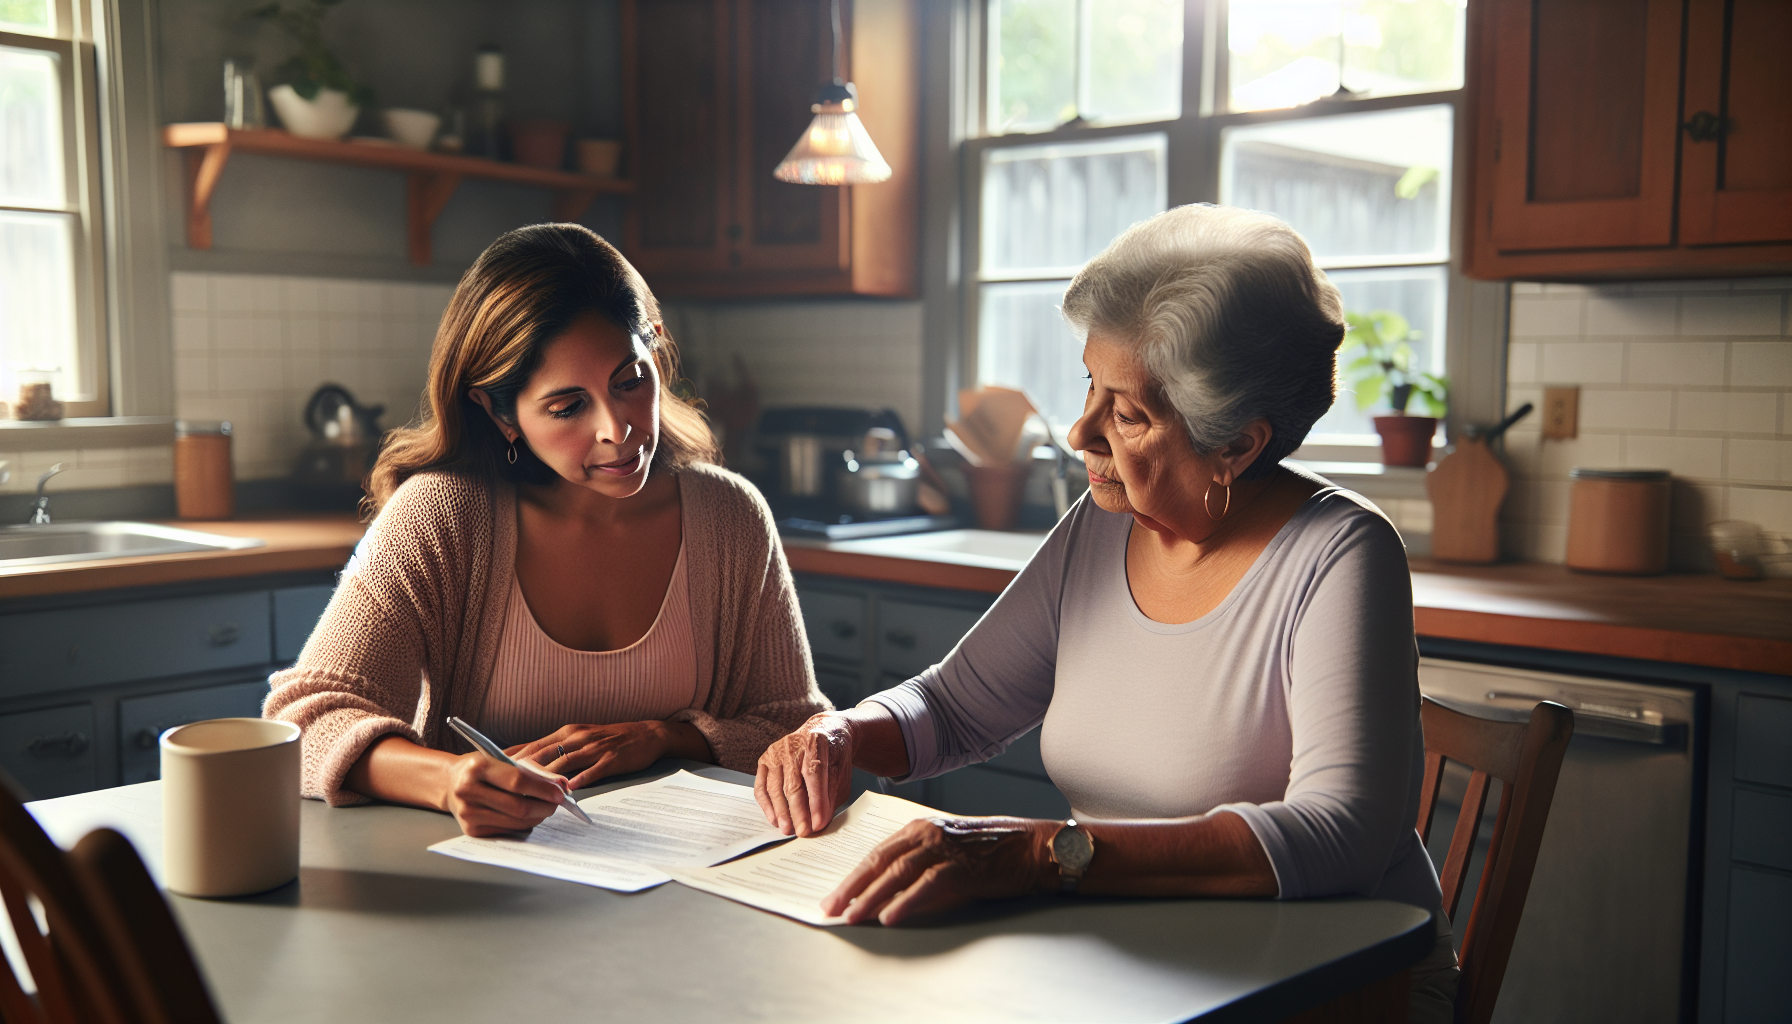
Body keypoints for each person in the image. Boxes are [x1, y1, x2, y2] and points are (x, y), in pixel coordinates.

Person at [755, 205, 1457, 1021]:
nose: (1080, 431)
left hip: (1337, 987)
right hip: (1131, 962)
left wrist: (1041, 853)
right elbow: (951, 708)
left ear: (1237, 444)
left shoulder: (1341, 553)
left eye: (1127, 414)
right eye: (1091, 384)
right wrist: (839, 731)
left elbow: (1340, 837)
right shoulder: (1102, 523)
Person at [267, 224, 828, 838]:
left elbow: (794, 730)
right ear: (498, 412)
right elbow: (304, 720)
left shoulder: (731, 516)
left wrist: (665, 737)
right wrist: (446, 779)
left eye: (630, 381)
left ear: (657, 349)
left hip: (689, 870)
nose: (617, 429)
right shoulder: (441, 517)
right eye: (568, 407)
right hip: (484, 872)